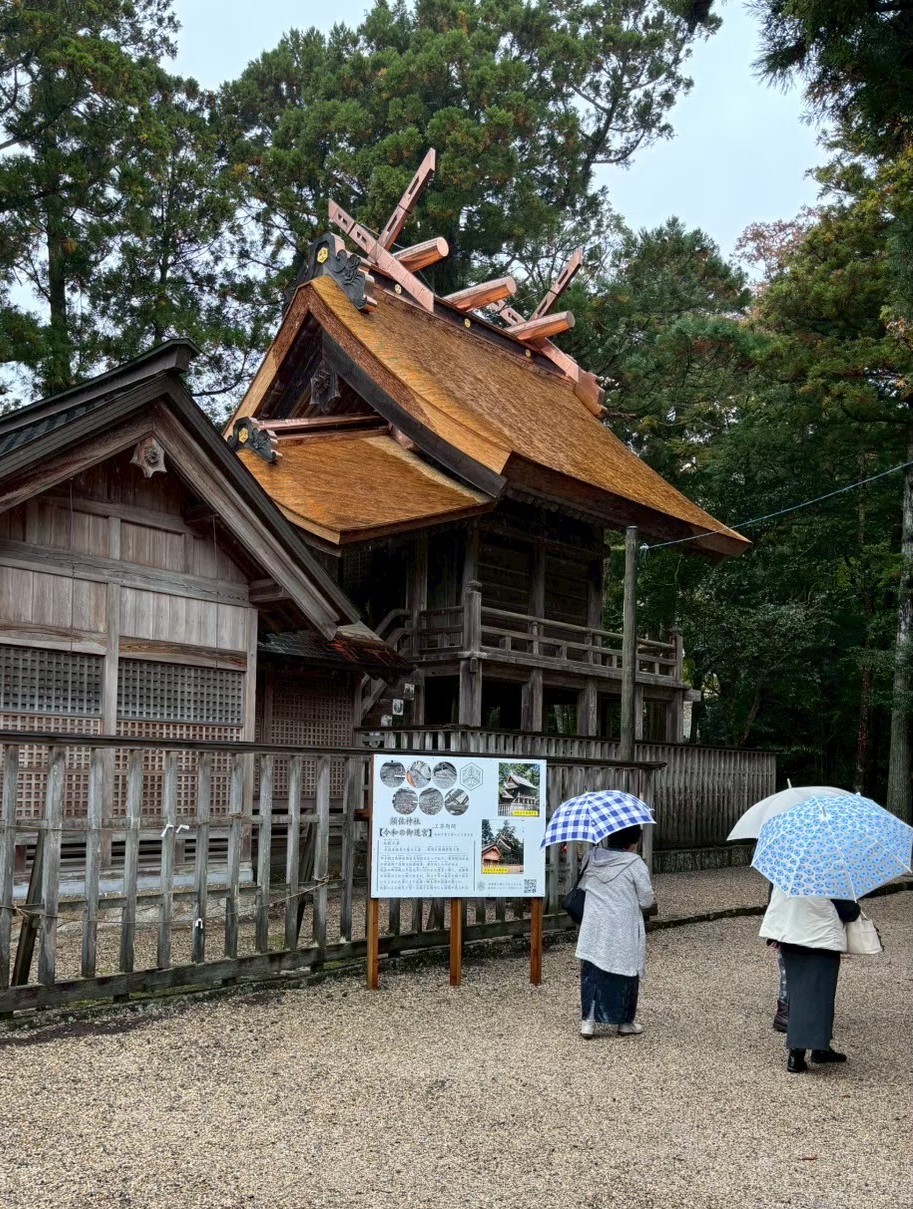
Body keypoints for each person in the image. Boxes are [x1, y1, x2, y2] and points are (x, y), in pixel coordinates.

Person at [759, 887, 860, 1073]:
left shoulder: (789, 863)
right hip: (819, 939)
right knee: (821, 995)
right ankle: (799, 1053)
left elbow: (775, 898)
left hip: (789, 935)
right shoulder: (830, 870)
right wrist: (855, 907)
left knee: (798, 993)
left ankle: (814, 1047)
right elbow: (848, 910)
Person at [576, 824, 656, 1039]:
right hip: (623, 927)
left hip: (594, 925)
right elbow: (647, 900)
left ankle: (588, 1022)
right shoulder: (634, 864)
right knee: (626, 972)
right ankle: (624, 1022)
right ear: (632, 842)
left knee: (592, 972)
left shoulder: (591, 857)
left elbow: (583, 885)